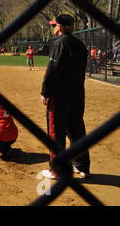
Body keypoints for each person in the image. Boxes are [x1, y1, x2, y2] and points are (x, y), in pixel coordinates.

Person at [41, 14, 90, 179]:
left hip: (60, 95)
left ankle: (57, 169)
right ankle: (82, 166)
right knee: (77, 130)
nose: (54, 28)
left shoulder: (60, 43)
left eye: (55, 25)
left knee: (56, 132)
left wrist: (46, 92)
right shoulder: (80, 44)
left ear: (61, 27)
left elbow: (53, 70)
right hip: (77, 94)